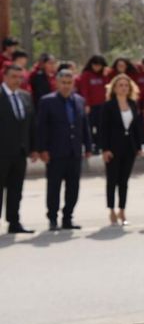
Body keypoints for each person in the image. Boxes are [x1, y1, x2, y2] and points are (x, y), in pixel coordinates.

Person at [36, 69, 92, 231]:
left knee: (73, 188)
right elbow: (41, 128)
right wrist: (42, 149)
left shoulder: (79, 100)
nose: (66, 86)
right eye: (63, 83)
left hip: (75, 152)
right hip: (55, 153)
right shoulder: (47, 101)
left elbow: (84, 126)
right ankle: (53, 218)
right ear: (57, 83)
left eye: (69, 83)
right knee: (54, 187)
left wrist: (88, 147)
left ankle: (68, 217)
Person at [101, 73, 144, 226]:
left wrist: (139, 146)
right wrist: (105, 149)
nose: (124, 88)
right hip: (113, 148)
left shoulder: (133, 104)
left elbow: (137, 127)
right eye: (120, 85)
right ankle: (111, 210)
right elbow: (103, 129)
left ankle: (122, 210)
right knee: (112, 180)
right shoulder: (108, 106)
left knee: (124, 181)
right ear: (114, 88)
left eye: (126, 85)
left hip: (129, 147)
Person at [0, 65, 38, 234]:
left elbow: (31, 125)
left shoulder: (25, 96)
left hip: (20, 152)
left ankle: (14, 222)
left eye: (20, 77)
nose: (17, 80)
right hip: (1, 152)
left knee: (16, 190)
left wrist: (34, 148)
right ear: (5, 77)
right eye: (14, 76)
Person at [78, 55, 109, 154]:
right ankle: (89, 146)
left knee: (101, 127)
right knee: (89, 127)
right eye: (95, 65)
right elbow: (84, 90)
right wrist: (86, 104)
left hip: (103, 105)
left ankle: (99, 146)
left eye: (99, 65)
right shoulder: (86, 75)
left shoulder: (105, 75)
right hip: (91, 105)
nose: (97, 68)